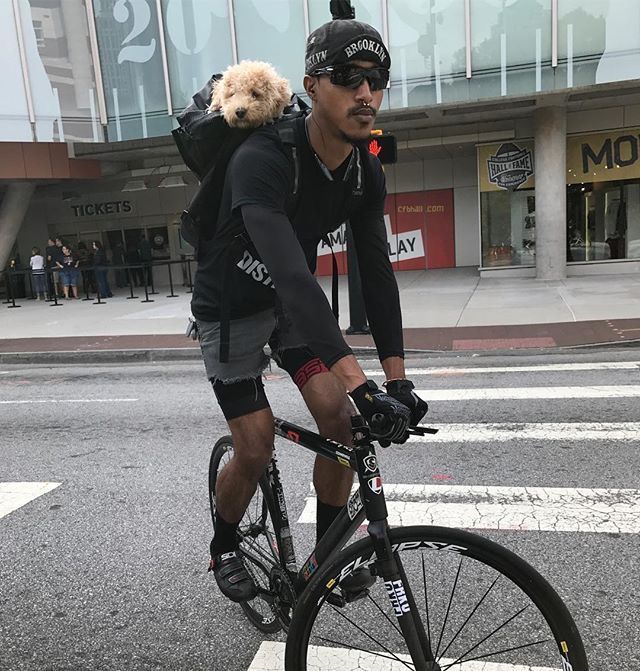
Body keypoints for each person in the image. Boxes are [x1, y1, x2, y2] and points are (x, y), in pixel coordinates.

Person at [191, 14, 428, 603]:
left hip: (289, 310)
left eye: (378, 79)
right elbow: (296, 279)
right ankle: (223, 544)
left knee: (343, 422)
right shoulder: (265, 158)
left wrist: (395, 382)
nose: (366, 93)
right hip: (232, 311)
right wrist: (358, 379)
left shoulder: (361, 167)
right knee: (255, 444)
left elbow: (376, 274)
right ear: (313, 84)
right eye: (349, 77)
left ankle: (324, 559)